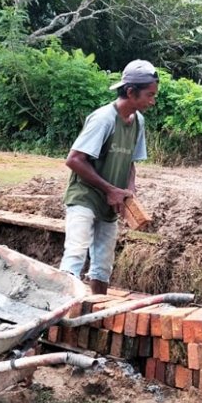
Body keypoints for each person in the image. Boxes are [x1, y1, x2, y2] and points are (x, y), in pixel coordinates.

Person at [59, 60, 159, 295]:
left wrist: (129, 191)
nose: (153, 101)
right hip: (84, 197)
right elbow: (74, 160)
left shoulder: (138, 122)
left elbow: (130, 162)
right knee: (75, 253)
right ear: (131, 92)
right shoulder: (104, 118)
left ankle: (97, 309)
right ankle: (62, 310)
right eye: (149, 95)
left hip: (109, 203)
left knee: (103, 264)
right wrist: (110, 189)